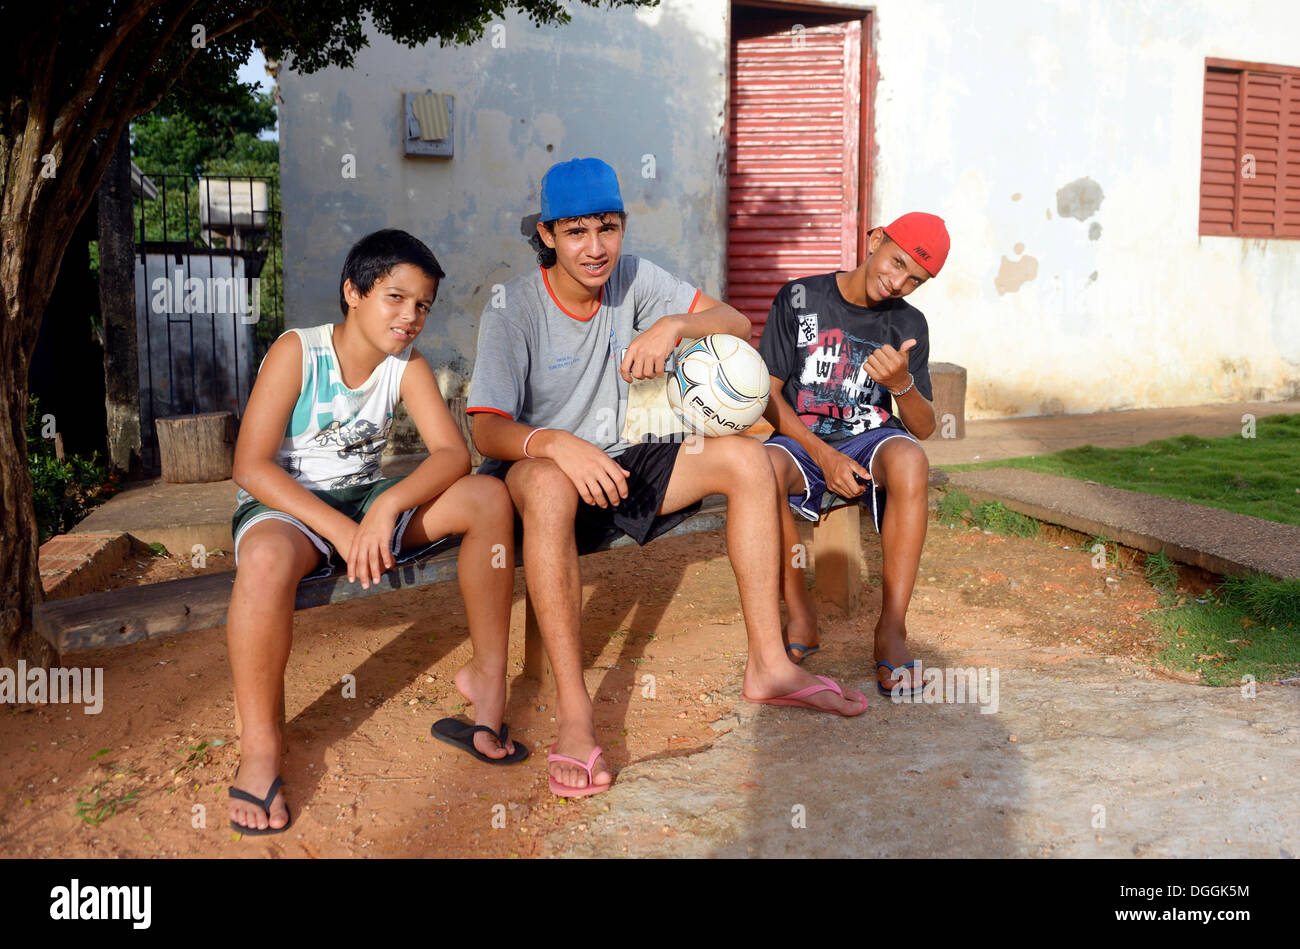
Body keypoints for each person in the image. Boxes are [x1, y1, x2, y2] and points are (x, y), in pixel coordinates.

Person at [468, 158, 867, 799]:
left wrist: (674, 323)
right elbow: (485, 429)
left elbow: (737, 321)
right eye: (575, 232)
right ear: (546, 235)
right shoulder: (513, 308)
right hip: (535, 466)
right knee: (544, 484)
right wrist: (556, 446)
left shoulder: (635, 278)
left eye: (608, 227)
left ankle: (769, 665)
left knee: (743, 457)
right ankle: (576, 716)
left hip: (623, 457)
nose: (595, 248)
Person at [226, 229, 524, 836]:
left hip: (367, 502)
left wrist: (387, 504)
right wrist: (337, 527)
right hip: (292, 510)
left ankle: (488, 695)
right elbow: (249, 466)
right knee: (263, 561)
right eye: (395, 297)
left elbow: (450, 455)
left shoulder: (405, 366)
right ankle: (260, 748)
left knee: (489, 497)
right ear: (353, 293)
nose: (410, 316)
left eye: (422, 305)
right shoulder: (297, 352)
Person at [758, 212, 949, 697]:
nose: (899, 281)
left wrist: (900, 384)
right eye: (897, 261)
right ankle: (801, 616)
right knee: (760, 470)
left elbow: (924, 429)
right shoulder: (800, 297)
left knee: (910, 460)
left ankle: (892, 628)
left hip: (868, 440)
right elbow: (770, 397)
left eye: (915, 279)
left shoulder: (908, 323)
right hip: (801, 440)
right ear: (875, 240)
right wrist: (823, 456)